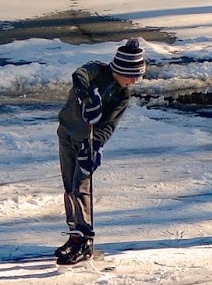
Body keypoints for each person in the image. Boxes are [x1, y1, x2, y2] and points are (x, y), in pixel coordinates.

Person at [55, 39, 146, 265]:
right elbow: (79, 75)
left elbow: (108, 126)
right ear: (122, 70)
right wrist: (86, 95)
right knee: (69, 186)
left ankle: (85, 239)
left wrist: (94, 147)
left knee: (81, 187)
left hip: (86, 143)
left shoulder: (122, 96)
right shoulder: (97, 71)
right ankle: (74, 235)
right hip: (67, 132)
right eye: (133, 75)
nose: (135, 81)